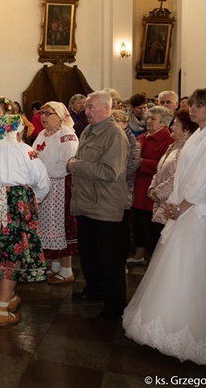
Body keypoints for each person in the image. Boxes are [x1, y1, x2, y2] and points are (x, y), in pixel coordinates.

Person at [124, 88, 206, 365]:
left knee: (196, 271)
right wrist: (173, 202)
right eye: (192, 105)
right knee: (174, 268)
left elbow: (205, 177)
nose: (192, 109)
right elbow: (182, 174)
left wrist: (181, 205)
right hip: (182, 207)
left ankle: (192, 332)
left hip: (197, 211)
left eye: (198, 105)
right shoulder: (197, 134)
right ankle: (165, 326)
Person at [0, 114, 50, 326]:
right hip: (18, 204)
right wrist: (30, 201)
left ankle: (10, 296)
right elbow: (42, 182)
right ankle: (2, 310)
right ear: (18, 131)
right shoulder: (25, 150)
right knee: (13, 253)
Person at [68, 90, 128, 322]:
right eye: (86, 107)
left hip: (104, 205)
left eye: (91, 107)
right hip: (86, 204)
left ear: (106, 108)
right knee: (90, 254)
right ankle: (94, 290)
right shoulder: (90, 130)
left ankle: (114, 305)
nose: (87, 110)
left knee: (110, 259)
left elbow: (110, 172)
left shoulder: (113, 134)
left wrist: (76, 165)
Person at [32, 102, 78, 284]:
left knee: (61, 225)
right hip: (44, 184)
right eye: (42, 113)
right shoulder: (43, 134)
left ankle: (67, 270)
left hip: (60, 184)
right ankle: (55, 266)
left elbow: (67, 163)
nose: (43, 117)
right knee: (48, 226)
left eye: (48, 113)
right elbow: (33, 156)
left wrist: (42, 170)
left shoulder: (67, 135)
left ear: (59, 115)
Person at [127, 106, 174, 264]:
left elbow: (164, 166)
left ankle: (153, 258)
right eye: (149, 118)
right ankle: (139, 254)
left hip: (152, 188)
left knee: (151, 226)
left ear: (164, 123)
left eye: (153, 119)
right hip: (138, 186)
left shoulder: (168, 139)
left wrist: (141, 162)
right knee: (138, 223)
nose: (149, 121)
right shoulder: (143, 137)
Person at [147, 110, 196, 225]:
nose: (172, 127)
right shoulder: (173, 146)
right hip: (161, 203)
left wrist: (158, 193)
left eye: (176, 125)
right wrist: (152, 188)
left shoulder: (186, 149)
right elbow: (159, 171)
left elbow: (177, 176)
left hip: (170, 205)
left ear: (186, 130)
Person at [111, 109, 141, 272]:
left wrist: (112, 177)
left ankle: (121, 262)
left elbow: (131, 167)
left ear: (124, 123)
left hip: (122, 189)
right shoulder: (113, 137)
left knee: (122, 229)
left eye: (116, 120)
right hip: (110, 191)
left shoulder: (132, 142)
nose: (113, 123)